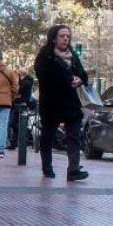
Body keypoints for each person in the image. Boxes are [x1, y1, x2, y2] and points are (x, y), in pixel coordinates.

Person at [34, 25, 89, 182]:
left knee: (74, 135)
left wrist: (80, 79)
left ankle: (73, 170)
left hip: (71, 102)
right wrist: (68, 78)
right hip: (52, 103)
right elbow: (44, 76)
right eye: (62, 36)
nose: (65, 39)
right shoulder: (45, 56)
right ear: (53, 38)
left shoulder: (73, 55)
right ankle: (47, 168)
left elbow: (83, 74)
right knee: (48, 136)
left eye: (68, 36)